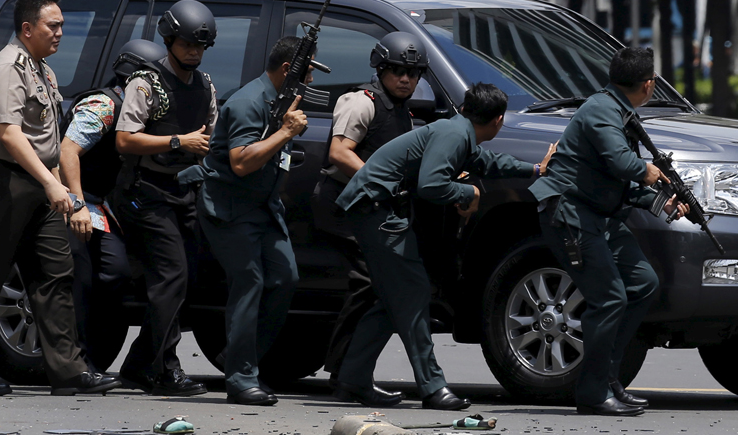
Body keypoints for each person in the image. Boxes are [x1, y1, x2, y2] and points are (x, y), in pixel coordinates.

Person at [333, 83, 555, 410]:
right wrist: (469, 195)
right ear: (498, 120)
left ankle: (353, 378)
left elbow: (488, 162)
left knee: (391, 299)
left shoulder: (459, 131)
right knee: (413, 291)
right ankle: (433, 387)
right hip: (377, 211)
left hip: (377, 210)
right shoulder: (454, 135)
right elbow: (431, 184)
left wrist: (536, 169)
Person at [0, 0, 122, 396]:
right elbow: (9, 134)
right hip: (6, 180)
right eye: (53, 26)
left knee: (54, 273)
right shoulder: (7, 67)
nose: (61, 32)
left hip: (40, 181)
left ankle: (68, 371)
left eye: (62, 25)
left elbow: (48, 139)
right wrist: (49, 183)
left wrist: (64, 191)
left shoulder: (43, 69)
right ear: (27, 29)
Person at [529, 47, 688, 417]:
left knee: (642, 283)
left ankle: (609, 378)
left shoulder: (619, 110)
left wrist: (661, 202)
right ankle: (593, 392)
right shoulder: (602, 110)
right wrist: (648, 170)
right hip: (570, 214)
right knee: (609, 298)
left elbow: (615, 180)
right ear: (648, 85)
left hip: (599, 214)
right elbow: (621, 162)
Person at [192, 36, 314, 406]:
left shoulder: (283, 103)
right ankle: (242, 380)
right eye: (307, 72)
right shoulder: (249, 102)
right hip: (230, 205)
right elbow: (242, 162)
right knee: (250, 281)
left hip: (262, 206)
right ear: (287, 71)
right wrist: (286, 133)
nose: (311, 81)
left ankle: (239, 359)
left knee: (285, 277)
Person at [111, 0, 217, 397]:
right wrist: (178, 140)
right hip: (146, 193)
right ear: (170, 39)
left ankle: (141, 364)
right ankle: (163, 370)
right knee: (170, 278)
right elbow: (125, 140)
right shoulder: (146, 82)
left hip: (183, 191)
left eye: (201, 46)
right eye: (188, 43)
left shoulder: (204, 85)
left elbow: (211, 134)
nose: (194, 51)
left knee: (186, 280)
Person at [314, 32, 428, 394]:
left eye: (413, 72)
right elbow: (340, 152)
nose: (405, 79)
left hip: (371, 208)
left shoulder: (401, 111)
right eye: (396, 70)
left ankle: (349, 371)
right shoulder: (361, 102)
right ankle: (345, 372)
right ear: (380, 69)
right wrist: (380, 182)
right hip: (343, 206)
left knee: (377, 284)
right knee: (371, 281)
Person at [59, 39, 166, 371]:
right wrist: (76, 205)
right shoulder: (104, 106)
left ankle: (93, 359)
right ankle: (73, 364)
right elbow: (68, 151)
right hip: (73, 201)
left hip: (101, 204)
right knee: (82, 280)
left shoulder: (139, 110)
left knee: (115, 274)